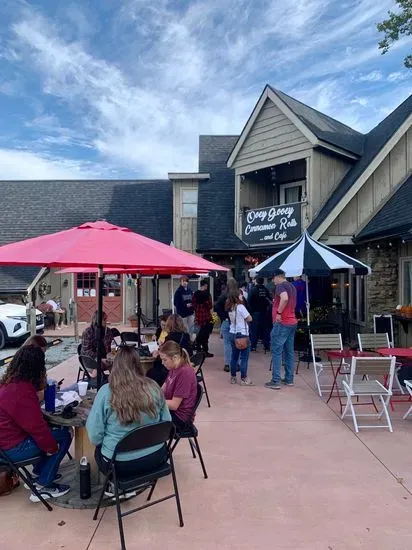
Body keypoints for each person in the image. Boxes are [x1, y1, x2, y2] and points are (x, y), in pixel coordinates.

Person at [86, 347, 171, 480]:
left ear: (115, 366)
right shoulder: (154, 387)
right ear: (138, 365)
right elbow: (167, 422)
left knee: (98, 451)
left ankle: (113, 486)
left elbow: (94, 436)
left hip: (120, 464)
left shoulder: (106, 392)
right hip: (156, 456)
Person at [0, 346, 72, 501]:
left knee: (55, 432)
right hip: (12, 448)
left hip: (5, 444)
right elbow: (37, 428)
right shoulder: (22, 391)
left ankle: (39, 471)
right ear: (36, 367)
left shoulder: (9, 383)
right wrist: (52, 448)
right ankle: (43, 485)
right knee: (64, 436)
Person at [265, 269, 297, 390]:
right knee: (289, 351)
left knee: (276, 351)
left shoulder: (280, 286)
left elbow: (284, 298)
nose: (273, 281)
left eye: (273, 278)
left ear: (278, 277)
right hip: (292, 322)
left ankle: (276, 380)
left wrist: (278, 312)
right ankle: (289, 379)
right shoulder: (292, 286)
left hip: (282, 322)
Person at [159, 341, 197, 429]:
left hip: (180, 418)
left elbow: (174, 405)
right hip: (172, 412)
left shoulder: (185, 372)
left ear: (175, 357)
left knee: (145, 421)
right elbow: (162, 390)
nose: (162, 363)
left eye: (165, 360)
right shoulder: (173, 368)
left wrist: (152, 402)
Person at [147, 314, 193, 387]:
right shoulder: (186, 335)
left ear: (169, 324)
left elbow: (164, 355)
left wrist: (157, 354)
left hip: (173, 369)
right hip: (184, 364)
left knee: (150, 372)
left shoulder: (171, 337)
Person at [226, 293, 254, 386]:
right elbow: (250, 318)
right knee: (244, 358)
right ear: (237, 297)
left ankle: (233, 377)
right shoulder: (241, 307)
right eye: (241, 295)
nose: (242, 296)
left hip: (232, 333)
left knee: (234, 357)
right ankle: (243, 378)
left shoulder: (230, 308)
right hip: (242, 334)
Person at [214, 278, 239, 372]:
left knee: (227, 343)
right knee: (237, 343)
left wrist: (224, 316)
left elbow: (216, 306)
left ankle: (228, 364)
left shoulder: (224, 295)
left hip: (226, 321)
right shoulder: (239, 295)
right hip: (237, 322)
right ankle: (236, 363)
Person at [248, 276, 271, 352]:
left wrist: (250, 311)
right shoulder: (265, 290)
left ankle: (253, 346)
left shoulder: (253, 290)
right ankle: (267, 345)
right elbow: (269, 300)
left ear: (256, 281)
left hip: (255, 312)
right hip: (264, 312)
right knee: (265, 330)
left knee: (254, 330)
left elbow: (249, 301)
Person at [192, 279, 214, 357]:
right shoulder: (207, 294)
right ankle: (205, 350)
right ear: (205, 285)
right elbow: (210, 306)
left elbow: (193, 305)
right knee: (205, 335)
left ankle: (198, 348)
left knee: (199, 333)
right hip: (206, 317)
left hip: (198, 316)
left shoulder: (195, 294)